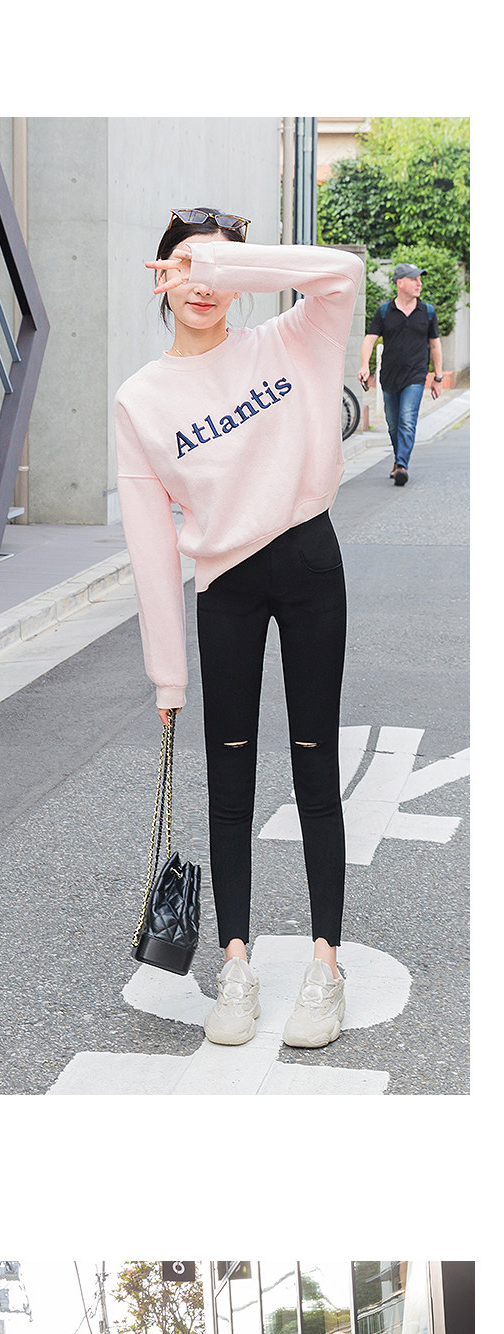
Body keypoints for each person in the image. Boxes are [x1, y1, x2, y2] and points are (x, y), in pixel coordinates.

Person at [114, 208, 364, 1049]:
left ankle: (326, 966)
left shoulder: (293, 340)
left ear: (240, 278)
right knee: (229, 783)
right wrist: (167, 672)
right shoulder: (142, 399)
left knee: (315, 764)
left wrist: (221, 265)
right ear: (159, 280)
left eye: (214, 271)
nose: (199, 284)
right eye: (181, 267)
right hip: (225, 588)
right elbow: (150, 543)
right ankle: (236, 965)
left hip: (309, 563)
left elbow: (340, 271)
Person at [358, 262, 444, 486]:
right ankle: (398, 460)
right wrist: (365, 366)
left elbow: (435, 345)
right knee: (393, 424)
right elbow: (369, 339)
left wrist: (438, 377)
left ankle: (402, 466)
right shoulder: (385, 312)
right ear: (400, 283)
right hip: (389, 376)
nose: (419, 284)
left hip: (416, 375)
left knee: (407, 420)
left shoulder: (427, 312)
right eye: (414, 279)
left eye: (420, 279)